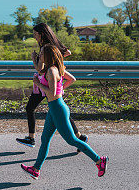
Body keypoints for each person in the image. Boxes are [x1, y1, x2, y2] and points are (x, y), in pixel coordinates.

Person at [21, 44, 107, 179]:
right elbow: (68, 81)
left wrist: (38, 84)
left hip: (58, 108)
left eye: (42, 53)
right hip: (55, 108)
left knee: (72, 140)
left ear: (48, 56)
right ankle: (36, 169)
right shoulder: (53, 68)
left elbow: (52, 92)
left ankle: (99, 160)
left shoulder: (51, 71)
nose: (40, 55)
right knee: (45, 139)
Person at [16, 23, 87, 150]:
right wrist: (56, 60)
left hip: (45, 82)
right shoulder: (53, 43)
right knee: (60, 111)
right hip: (50, 79)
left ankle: (31, 138)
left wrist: (35, 59)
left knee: (32, 108)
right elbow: (68, 52)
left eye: (35, 34)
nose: (34, 37)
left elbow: (39, 69)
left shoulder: (45, 48)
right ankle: (80, 137)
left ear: (41, 34)